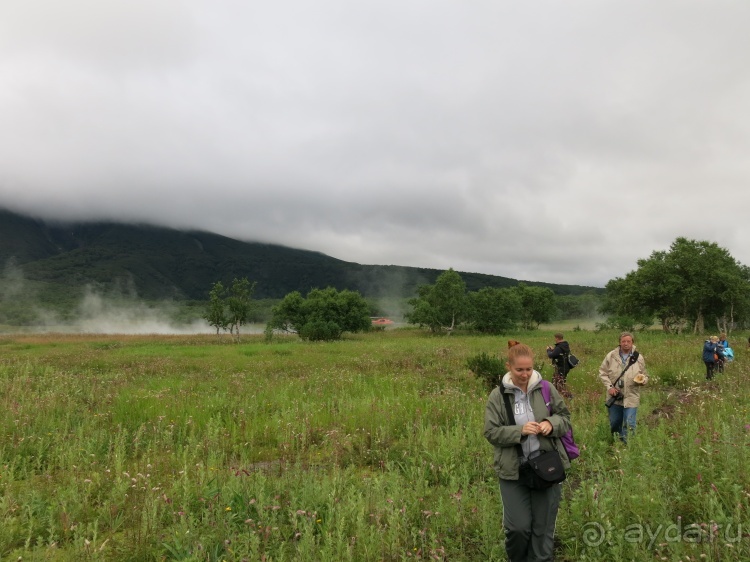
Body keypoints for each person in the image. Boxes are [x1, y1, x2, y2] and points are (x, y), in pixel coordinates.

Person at [484, 343, 571, 562]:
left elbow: (565, 418)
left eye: (528, 369)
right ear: (509, 367)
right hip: (514, 470)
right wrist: (519, 431)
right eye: (519, 370)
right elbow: (491, 432)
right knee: (518, 528)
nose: (524, 375)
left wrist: (551, 423)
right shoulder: (498, 396)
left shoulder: (546, 389)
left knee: (543, 528)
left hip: (546, 466)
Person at [599, 332, 648, 443]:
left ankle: (628, 446)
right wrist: (609, 387)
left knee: (630, 423)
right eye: (623, 341)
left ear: (632, 343)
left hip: (631, 395)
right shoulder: (611, 356)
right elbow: (603, 372)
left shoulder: (638, 357)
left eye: (628, 341)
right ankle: (617, 443)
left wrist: (643, 380)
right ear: (619, 343)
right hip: (615, 396)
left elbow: (644, 374)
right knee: (615, 422)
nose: (626, 344)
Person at [546, 332, 573, 399]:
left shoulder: (559, 347)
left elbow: (551, 355)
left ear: (557, 338)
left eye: (555, 338)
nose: (555, 339)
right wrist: (553, 350)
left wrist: (548, 350)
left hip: (561, 368)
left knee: (558, 385)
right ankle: (556, 398)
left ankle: (569, 397)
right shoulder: (565, 345)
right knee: (556, 384)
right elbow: (559, 353)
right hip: (565, 367)